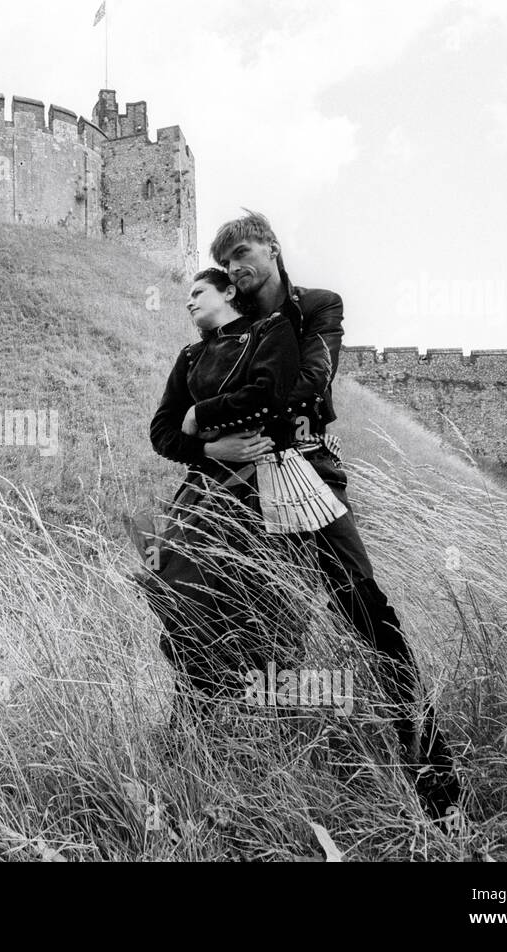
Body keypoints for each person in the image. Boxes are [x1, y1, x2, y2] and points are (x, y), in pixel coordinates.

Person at [181, 209, 460, 821]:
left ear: (273, 248)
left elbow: (307, 387)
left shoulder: (317, 308)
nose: (234, 267)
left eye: (243, 252)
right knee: (230, 623)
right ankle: (222, 779)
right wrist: (207, 441)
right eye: (225, 262)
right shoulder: (228, 326)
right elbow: (177, 420)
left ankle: (433, 776)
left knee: (366, 612)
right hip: (236, 489)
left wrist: (208, 418)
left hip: (311, 476)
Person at [131, 267, 328, 729]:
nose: (189, 301)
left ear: (229, 292)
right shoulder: (191, 355)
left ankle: (273, 720)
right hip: (204, 490)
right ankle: (195, 709)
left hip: (269, 483)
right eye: (187, 296)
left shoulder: (269, 331)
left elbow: (269, 394)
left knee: (268, 599)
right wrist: (208, 448)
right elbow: (161, 431)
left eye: (199, 292)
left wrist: (200, 413)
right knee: (173, 585)